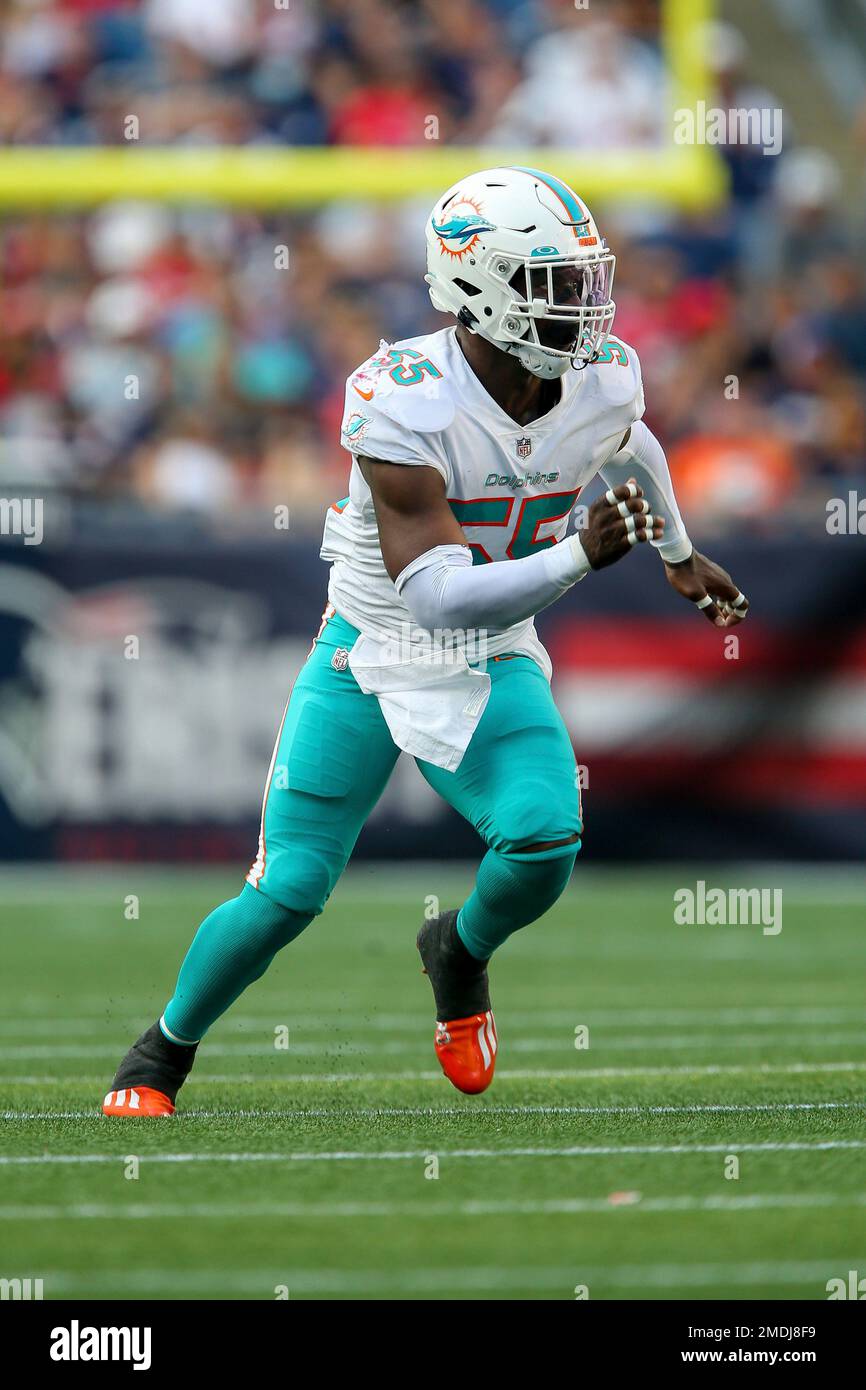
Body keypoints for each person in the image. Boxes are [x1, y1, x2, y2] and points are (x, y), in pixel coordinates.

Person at [103, 166, 748, 1116]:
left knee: (544, 841)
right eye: (553, 282)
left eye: (583, 278)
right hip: (374, 649)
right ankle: (161, 1050)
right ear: (479, 289)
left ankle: (458, 951)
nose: (583, 304)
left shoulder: (600, 377)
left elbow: (630, 443)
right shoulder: (404, 398)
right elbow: (437, 601)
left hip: (493, 655)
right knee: (288, 890)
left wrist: (680, 555)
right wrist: (578, 553)